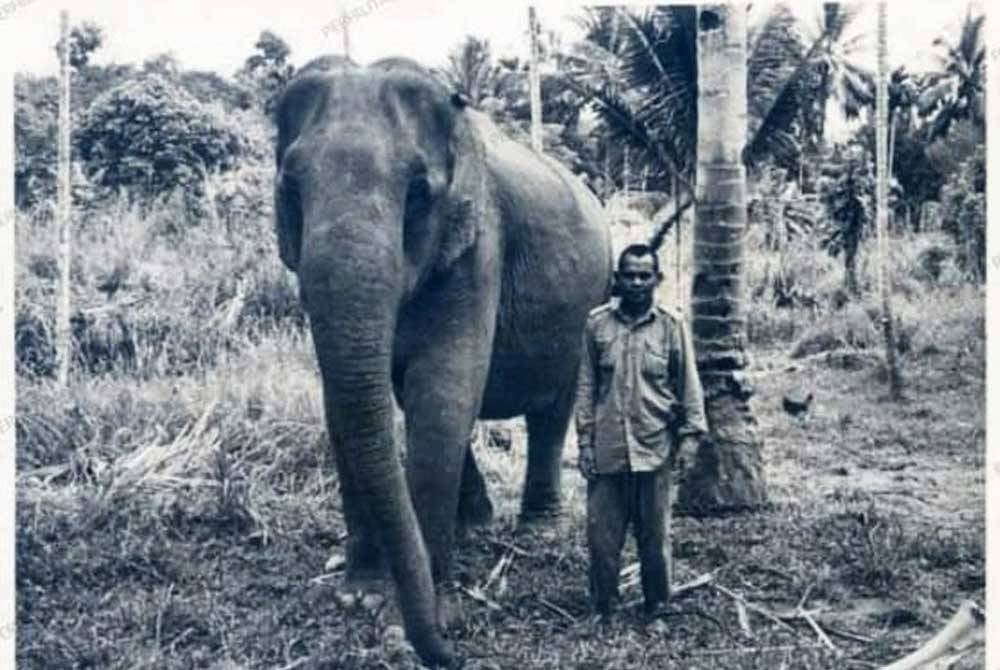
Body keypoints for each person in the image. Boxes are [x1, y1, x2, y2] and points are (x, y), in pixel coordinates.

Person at [574, 243, 707, 624]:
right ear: (617, 279)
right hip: (608, 450)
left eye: (643, 275)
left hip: (656, 449)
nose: (636, 282)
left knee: (654, 540)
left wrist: (690, 441)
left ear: (656, 279)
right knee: (602, 540)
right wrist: (584, 442)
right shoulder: (596, 325)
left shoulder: (671, 326)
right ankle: (604, 608)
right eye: (628, 275)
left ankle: (658, 607)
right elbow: (585, 388)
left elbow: (688, 388)